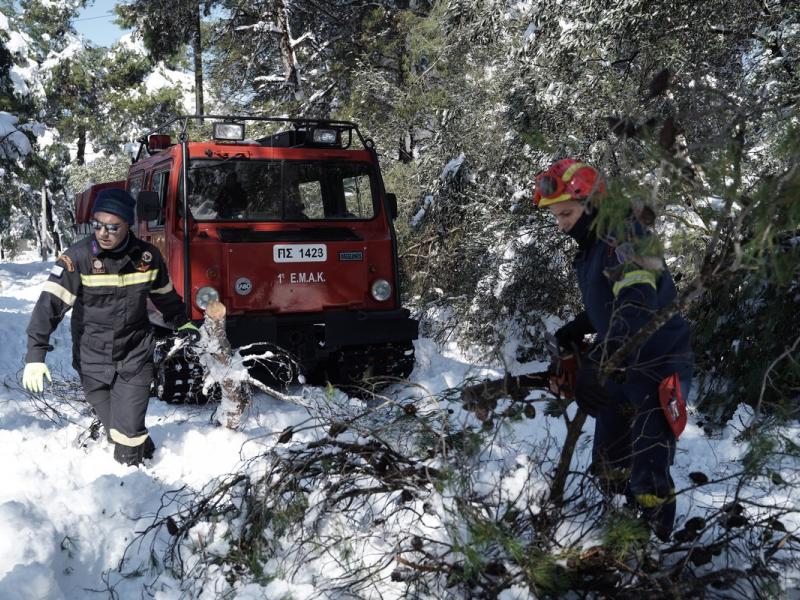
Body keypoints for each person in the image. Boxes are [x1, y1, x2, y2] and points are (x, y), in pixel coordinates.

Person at [534, 159, 693, 541]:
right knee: (609, 463)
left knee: (648, 469)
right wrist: (579, 327)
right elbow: (611, 302)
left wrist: (596, 361)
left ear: (592, 205)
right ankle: (620, 536)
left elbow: (636, 303)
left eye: (567, 214)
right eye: (556, 217)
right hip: (620, 365)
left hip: (657, 364)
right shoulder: (593, 248)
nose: (561, 225)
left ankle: (654, 545)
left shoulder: (627, 237)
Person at [22, 188, 200, 466]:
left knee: (127, 432)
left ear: (128, 224)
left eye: (112, 227)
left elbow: (165, 297)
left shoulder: (147, 258)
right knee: (115, 429)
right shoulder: (77, 258)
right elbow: (48, 308)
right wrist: (35, 355)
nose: (103, 233)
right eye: (97, 225)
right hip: (91, 359)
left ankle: (129, 478)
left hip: (134, 355)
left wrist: (183, 321)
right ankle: (150, 458)